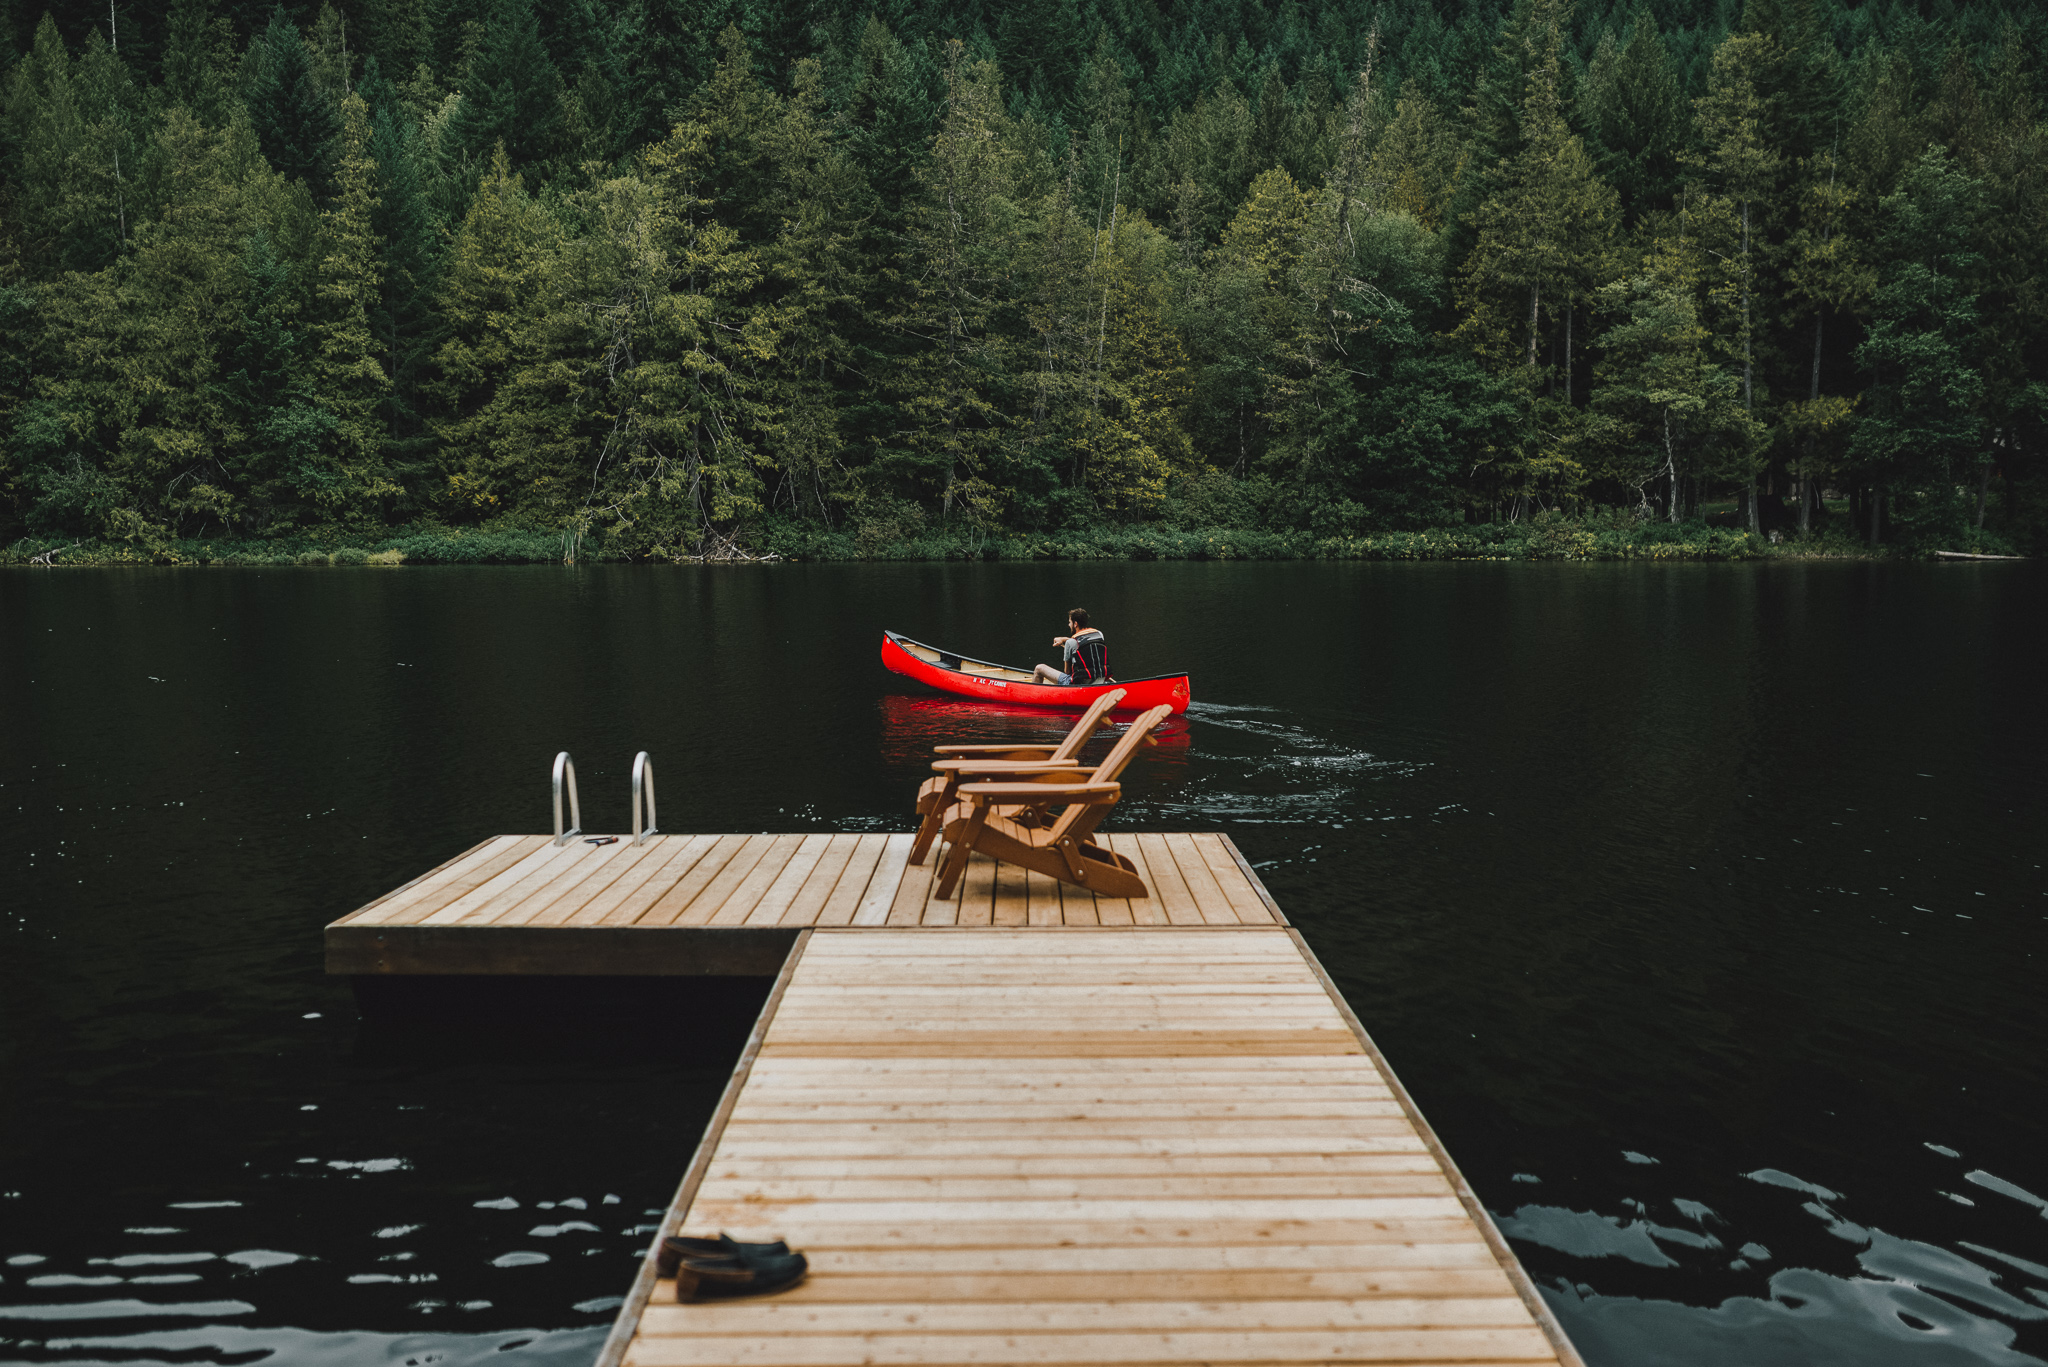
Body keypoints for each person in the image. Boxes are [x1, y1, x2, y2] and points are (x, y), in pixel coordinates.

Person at [1033, 609, 1110, 686]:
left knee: (1039, 668)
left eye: (1070, 622)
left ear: (1075, 624)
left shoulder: (1070, 643)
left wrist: (1067, 644)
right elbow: (1084, 641)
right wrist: (1063, 639)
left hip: (1079, 685)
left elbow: (1067, 671)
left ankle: (1033, 696)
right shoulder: (1099, 634)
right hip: (1099, 682)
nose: (1069, 625)